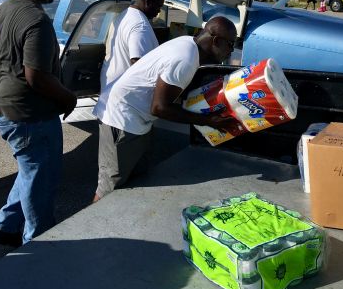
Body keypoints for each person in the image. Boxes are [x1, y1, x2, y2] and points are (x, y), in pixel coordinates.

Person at [94, 16, 239, 200]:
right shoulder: (185, 59)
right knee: (109, 188)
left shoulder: (188, 43)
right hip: (121, 118)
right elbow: (160, 108)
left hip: (138, 118)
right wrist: (209, 121)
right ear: (216, 41)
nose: (231, 50)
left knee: (135, 180)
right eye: (230, 44)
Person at [0, 0, 77, 247]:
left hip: (0, 104)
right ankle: (37, 246)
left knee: (30, 169)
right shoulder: (36, 20)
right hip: (28, 113)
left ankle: (6, 226)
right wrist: (67, 97)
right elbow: (36, 76)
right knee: (42, 177)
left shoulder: (4, 8)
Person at [92, 0, 165, 202]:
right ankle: (90, 228)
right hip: (123, 113)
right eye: (158, 7)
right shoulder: (139, 26)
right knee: (109, 185)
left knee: (126, 177)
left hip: (118, 104)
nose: (158, 12)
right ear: (148, 2)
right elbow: (139, 65)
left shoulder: (123, 15)